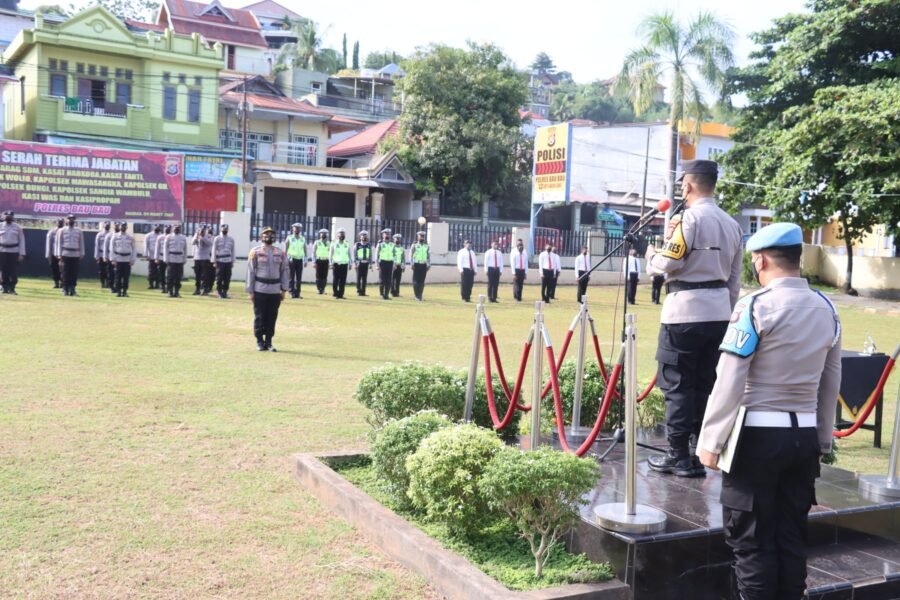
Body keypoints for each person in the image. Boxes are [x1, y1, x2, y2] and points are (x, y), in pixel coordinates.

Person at [697, 223, 841, 600]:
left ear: (760, 260)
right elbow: (831, 381)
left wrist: (710, 440)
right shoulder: (827, 309)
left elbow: (730, 377)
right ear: (799, 259)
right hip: (803, 437)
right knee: (791, 537)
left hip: (756, 439)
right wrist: (822, 438)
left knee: (751, 541)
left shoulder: (754, 306)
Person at [645, 159, 743, 478]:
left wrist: (649, 258)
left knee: (676, 384)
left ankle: (677, 455)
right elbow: (734, 278)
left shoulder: (690, 219)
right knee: (703, 384)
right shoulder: (732, 224)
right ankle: (698, 453)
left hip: (683, 312)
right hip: (718, 313)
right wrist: (724, 312)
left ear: (687, 185)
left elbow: (669, 263)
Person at [246, 227, 289, 351]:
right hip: (260, 289)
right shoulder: (255, 252)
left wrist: (284, 290)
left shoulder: (280, 253)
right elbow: (250, 271)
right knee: (259, 316)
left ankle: (269, 342)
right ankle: (259, 341)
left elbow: (285, 271)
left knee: (272, 317)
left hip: (275, 290)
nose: (269, 236)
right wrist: (250, 291)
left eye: (271, 234)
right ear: (261, 236)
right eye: (266, 234)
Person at [55, 213, 84, 296]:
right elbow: (59, 243)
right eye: (69, 219)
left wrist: (82, 253)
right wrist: (59, 254)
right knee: (65, 272)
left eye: (72, 219)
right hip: (65, 253)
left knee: (74, 272)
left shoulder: (78, 231)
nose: (71, 220)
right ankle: (65, 288)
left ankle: (73, 289)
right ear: (66, 220)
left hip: (75, 254)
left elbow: (81, 243)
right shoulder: (62, 230)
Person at [0, 211, 25, 294]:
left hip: (14, 251)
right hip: (2, 250)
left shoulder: (18, 227)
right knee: (3, 270)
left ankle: (12, 288)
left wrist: (21, 253)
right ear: (3, 217)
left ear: (13, 217)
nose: (8, 217)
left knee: (13, 270)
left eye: (10, 216)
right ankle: (4, 287)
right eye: (7, 216)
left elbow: (22, 241)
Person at [110, 222, 136, 297]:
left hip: (127, 260)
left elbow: (134, 249)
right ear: (119, 227)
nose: (123, 227)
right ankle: (118, 291)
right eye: (122, 226)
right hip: (118, 259)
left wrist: (133, 259)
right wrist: (113, 259)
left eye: (124, 226)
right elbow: (112, 248)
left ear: (126, 227)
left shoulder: (130, 237)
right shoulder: (115, 236)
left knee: (126, 277)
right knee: (118, 276)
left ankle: (125, 291)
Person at [164, 224, 188, 298]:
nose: (176, 229)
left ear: (180, 229)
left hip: (180, 259)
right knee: (170, 277)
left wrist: (184, 259)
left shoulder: (183, 237)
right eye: (175, 228)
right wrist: (166, 259)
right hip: (171, 259)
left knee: (178, 277)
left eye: (178, 228)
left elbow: (185, 249)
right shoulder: (169, 237)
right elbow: (165, 248)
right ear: (173, 229)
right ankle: (170, 291)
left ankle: (177, 292)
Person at [212, 224, 235, 299]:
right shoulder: (217, 238)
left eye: (226, 229)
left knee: (227, 277)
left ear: (228, 230)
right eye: (223, 229)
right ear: (220, 230)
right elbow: (214, 250)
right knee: (219, 278)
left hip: (228, 260)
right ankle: (219, 292)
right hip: (219, 261)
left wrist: (232, 261)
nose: (224, 231)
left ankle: (225, 291)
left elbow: (233, 250)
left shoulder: (231, 239)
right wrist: (214, 261)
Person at [284, 223, 307, 299]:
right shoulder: (289, 238)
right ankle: (291, 292)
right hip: (291, 259)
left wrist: (305, 259)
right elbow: (285, 249)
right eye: (295, 228)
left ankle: (298, 293)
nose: (297, 229)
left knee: (299, 278)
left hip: (300, 259)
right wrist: (285, 259)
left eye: (298, 228)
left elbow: (305, 249)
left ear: (300, 229)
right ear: (292, 229)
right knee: (291, 277)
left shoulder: (302, 238)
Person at [192, 224, 213, 296]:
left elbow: (209, 243)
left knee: (205, 275)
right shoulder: (196, 235)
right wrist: (197, 236)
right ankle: (197, 289)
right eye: (201, 229)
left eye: (204, 229)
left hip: (205, 258)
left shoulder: (209, 236)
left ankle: (205, 289)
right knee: (197, 275)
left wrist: (203, 236)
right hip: (197, 257)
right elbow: (193, 242)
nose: (202, 230)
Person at [330, 228, 351, 299]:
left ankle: (341, 294)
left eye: (343, 234)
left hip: (344, 264)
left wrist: (350, 263)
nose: (342, 235)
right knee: (335, 280)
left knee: (343, 280)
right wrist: (330, 263)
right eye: (340, 233)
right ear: (337, 235)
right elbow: (331, 254)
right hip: (336, 264)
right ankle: (335, 293)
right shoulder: (334, 243)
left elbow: (349, 254)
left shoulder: (347, 243)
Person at [409, 231, 430, 301]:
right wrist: (411, 264)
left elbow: (428, 256)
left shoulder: (426, 246)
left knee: (422, 281)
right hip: (416, 264)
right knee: (416, 281)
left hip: (423, 265)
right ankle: (416, 295)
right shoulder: (414, 245)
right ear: (418, 237)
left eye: (423, 236)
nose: (422, 237)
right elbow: (411, 255)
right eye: (420, 236)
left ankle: (420, 295)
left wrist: (428, 264)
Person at [374, 229, 394, 300]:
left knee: (389, 280)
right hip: (382, 263)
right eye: (385, 234)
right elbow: (376, 255)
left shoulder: (392, 245)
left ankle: (386, 295)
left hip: (390, 263)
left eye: (388, 234)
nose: (387, 235)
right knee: (382, 279)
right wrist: (377, 264)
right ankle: (381, 294)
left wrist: (394, 264)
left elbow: (394, 255)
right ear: (383, 235)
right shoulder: (380, 244)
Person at [46, 218, 63, 289]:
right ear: (56, 223)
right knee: (54, 269)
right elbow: (48, 244)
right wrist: (48, 255)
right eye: (58, 222)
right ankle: (56, 283)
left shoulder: (65, 231)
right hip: (54, 254)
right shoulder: (52, 232)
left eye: (61, 222)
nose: (59, 223)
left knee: (62, 269)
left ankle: (62, 283)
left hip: (62, 254)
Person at [353, 230, 372, 296]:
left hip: (366, 263)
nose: (364, 237)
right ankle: (358, 290)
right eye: (362, 235)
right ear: (360, 237)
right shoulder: (357, 245)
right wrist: (355, 263)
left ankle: (363, 292)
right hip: (359, 263)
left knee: (364, 278)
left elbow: (370, 255)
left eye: (365, 235)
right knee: (358, 277)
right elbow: (354, 255)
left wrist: (370, 264)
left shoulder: (369, 245)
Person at [94, 221, 111, 289]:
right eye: (106, 225)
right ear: (103, 226)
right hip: (101, 254)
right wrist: (97, 256)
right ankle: (102, 283)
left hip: (108, 255)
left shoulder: (111, 234)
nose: (107, 226)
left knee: (108, 270)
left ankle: (108, 283)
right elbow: (97, 246)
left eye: (108, 225)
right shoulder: (99, 234)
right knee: (101, 271)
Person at [313, 228, 330, 295]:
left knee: (324, 276)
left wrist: (330, 262)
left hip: (326, 260)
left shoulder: (329, 243)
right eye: (322, 233)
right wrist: (314, 261)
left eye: (324, 233)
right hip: (318, 260)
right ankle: (318, 289)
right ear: (320, 235)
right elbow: (313, 252)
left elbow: (331, 252)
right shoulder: (317, 242)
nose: (323, 235)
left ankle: (323, 289)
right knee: (318, 276)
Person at [145, 224, 161, 289]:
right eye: (155, 226)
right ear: (153, 227)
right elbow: (146, 246)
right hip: (151, 256)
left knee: (158, 271)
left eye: (158, 227)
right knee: (151, 270)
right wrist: (146, 255)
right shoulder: (148, 235)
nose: (156, 228)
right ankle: (151, 284)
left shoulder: (161, 235)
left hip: (159, 256)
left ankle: (157, 284)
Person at [156, 225, 171, 294]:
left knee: (169, 274)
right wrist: (156, 258)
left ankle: (168, 287)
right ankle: (162, 287)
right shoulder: (160, 237)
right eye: (165, 227)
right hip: (161, 257)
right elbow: (157, 248)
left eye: (168, 228)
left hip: (170, 258)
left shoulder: (171, 237)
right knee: (161, 273)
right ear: (163, 228)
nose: (167, 229)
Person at [104, 222, 119, 292]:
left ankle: (117, 286)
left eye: (118, 226)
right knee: (111, 273)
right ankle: (111, 287)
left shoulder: (123, 235)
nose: (117, 227)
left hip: (120, 257)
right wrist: (105, 257)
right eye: (116, 226)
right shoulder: (109, 235)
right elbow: (105, 247)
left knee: (118, 273)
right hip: (111, 256)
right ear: (114, 226)